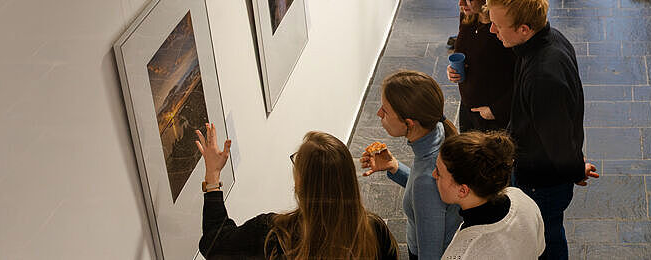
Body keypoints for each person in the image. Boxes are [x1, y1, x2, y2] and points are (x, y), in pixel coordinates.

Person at [484, 0, 599, 259]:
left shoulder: (543, 75)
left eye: (498, 25)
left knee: (546, 239)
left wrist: (575, 169)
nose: (491, 30)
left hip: (541, 182)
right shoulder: (548, 39)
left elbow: (557, 138)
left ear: (524, 29)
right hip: (536, 169)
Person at [197, 126, 399, 259]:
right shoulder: (373, 229)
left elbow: (215, 245)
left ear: (301, 184)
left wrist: (213, 176)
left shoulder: (273, 234)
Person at [360, 71, 463, 260]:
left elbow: (430, 254)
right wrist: (395, 168)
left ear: (409, 123)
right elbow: (428, 192)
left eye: (385, 110)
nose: (378, 113)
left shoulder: (428, 177)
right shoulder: (438, 130)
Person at [433, 131, 546, 259]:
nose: (433, 175)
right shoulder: (522, 199)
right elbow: (540, 251)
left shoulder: (461, 255)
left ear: (463, 190)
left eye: (439, 172)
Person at [447, 0, 515, 132]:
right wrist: (453, 70)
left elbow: (523, 77)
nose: (461, 4)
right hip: (469, 107)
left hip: (494, 117)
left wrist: (496, 110)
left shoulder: (504, 29)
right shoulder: (468, 16)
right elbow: (465, 52)